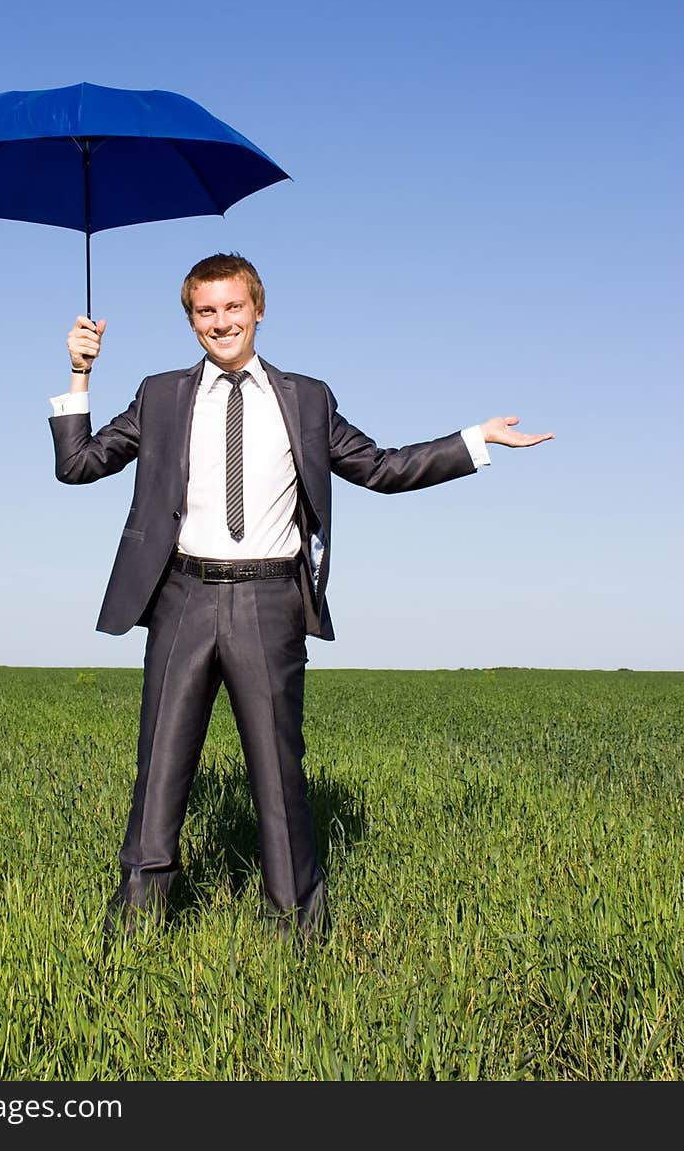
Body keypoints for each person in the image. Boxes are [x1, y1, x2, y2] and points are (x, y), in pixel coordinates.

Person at [48, 253, 553, 940]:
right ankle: (136, 925)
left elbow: (381, 468)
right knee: (161, 767)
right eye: (206, 311)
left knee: (279, 773)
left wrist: (474, 441)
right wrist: (80, 372)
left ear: (258, 310)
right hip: (182, 598)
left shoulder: (306, 398)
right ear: (191, 320)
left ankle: (295, 929)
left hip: (269, 601)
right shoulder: (160, 395)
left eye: (233, 307)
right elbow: (77, 466)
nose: (221, 322)